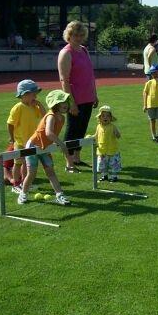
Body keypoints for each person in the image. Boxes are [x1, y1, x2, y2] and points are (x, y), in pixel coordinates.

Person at [18, 90, 73, 205]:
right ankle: (23, 194)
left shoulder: (62, 118)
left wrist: (55, 143)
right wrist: (60, 143)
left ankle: (59, 195)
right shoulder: (51, 116)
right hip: (33, 145)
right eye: (62, 102)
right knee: (32, 173)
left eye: (66, 102)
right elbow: (48, 133)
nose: (65, 104)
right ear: (55, 104)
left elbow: (52, 134)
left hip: (45, 148)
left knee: (51, 172)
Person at [57, 20, 98, 172]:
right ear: (69, 35)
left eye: (81, 35)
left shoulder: (84, 50)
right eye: (75, 35)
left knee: (82, 129)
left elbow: (90, 75)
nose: (79, 38)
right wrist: (71, 102)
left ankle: (77, 158)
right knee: (72, 130)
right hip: (74, 98)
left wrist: (95, 94)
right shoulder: (66, 53)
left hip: (88, 97)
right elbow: (64, 80)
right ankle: (69, 163)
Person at [7, 79, 45, 191]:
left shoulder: (34, 107)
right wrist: (12, 138)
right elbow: (10, 123)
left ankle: (25, 183)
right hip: (20, 141)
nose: (36, 97)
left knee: (26, 163)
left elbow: (45, 116)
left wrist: (39, 104)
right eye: (34, 95)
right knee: (18, 163)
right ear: (25, 94)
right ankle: (16, 185)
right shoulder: (18, 107)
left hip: (31, 142)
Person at [91, 105, 122, 182]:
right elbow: (96, 135)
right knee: (102, 164)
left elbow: (118, 136)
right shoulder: (98, 126)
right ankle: (104, 175)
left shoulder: (112, 127)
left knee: (113, 164)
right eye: (103, 116)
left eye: (108, 116)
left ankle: (114, 176)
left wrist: (116, 133)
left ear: (111, 118)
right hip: (102, 150)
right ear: (99, 118)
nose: (105, 117)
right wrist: (91, 137)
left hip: (112, 150)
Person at [143, 64, 158, 142]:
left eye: (155, 72)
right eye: (152, 73)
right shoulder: (149, 83)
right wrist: (145, 104)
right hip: (150, 104)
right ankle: (153, 135)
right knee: (152, 120)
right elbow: (145, 93)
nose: (154, 74)